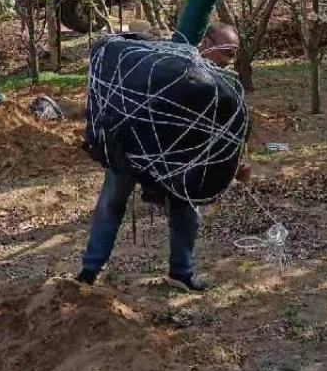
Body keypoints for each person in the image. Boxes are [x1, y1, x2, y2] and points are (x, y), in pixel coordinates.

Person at [76, 22, 240, 292]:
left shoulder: (216, 86)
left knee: (186, 210)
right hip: (131, 146)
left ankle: (181, 272)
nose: (229, 61)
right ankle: (89, 271)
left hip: (174, 160)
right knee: (111, 203)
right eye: (227, 53)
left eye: (233, 55)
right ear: (208, 43)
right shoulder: (173, 66)